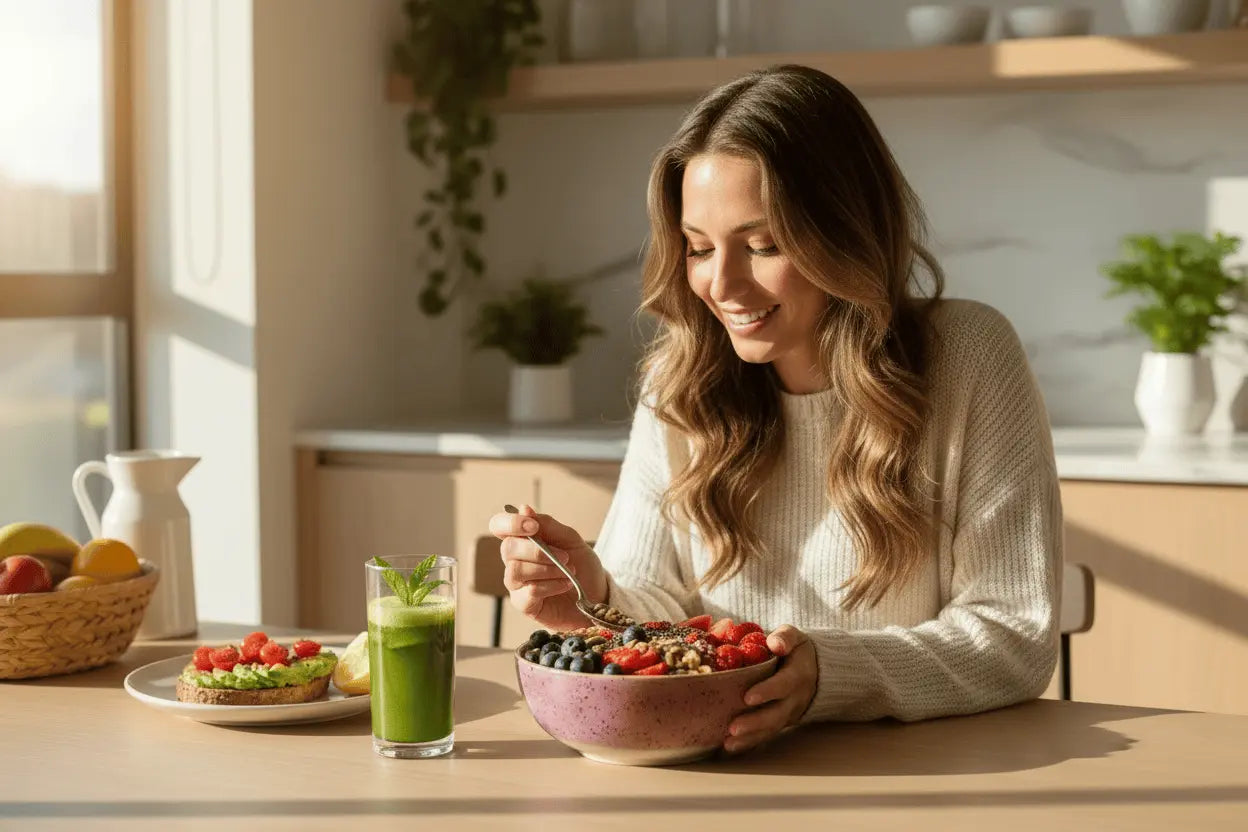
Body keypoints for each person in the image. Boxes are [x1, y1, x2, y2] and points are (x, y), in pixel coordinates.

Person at [489, 64, 1061, 755]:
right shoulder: (680, 380)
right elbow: (656, 615)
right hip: (713, 780)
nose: (720, 284)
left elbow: (1013, 634)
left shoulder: (969, 357)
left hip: (920, 783)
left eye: (763, 245)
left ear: (844, 234)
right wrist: (591, 595)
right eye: (699, 248)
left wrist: (832, 674)